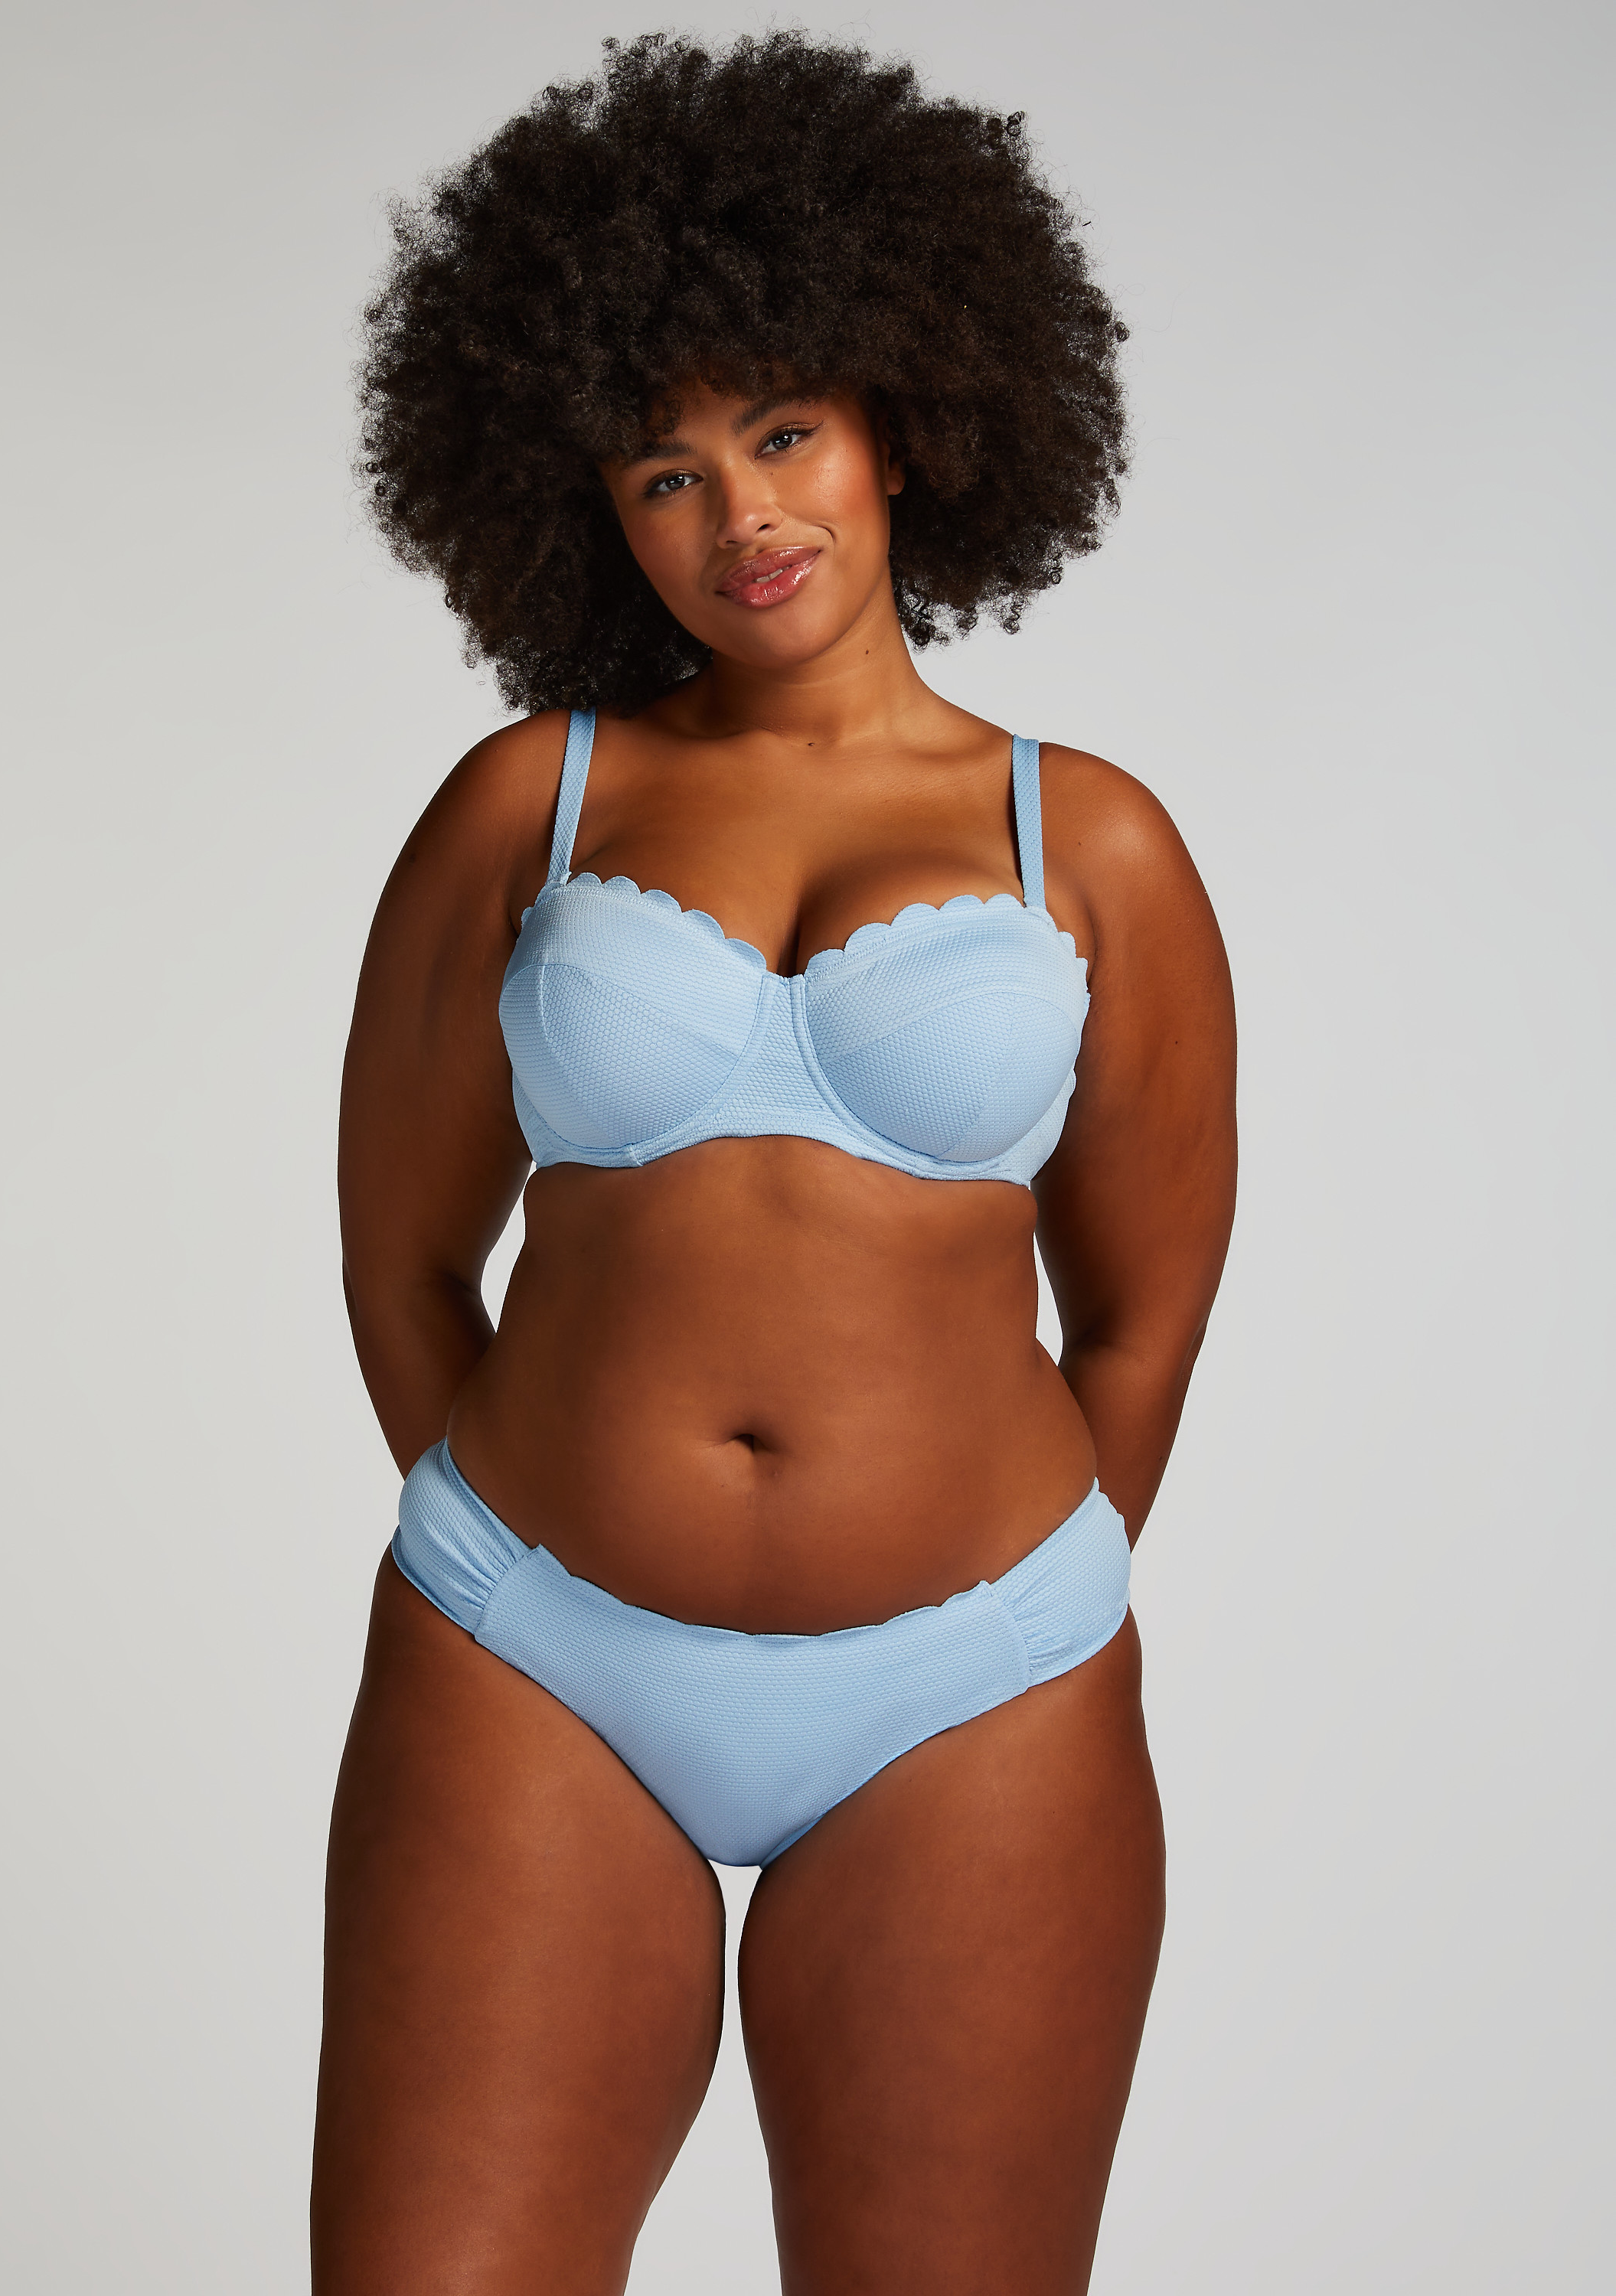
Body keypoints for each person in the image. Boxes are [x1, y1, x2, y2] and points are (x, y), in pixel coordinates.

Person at [315, 31, 1236, 2294]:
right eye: (666, 470)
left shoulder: (1089, 839)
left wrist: (1009, 1586)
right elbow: (400, 1251)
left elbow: (1141, 1312)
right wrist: (522, 1543)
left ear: (905, 420)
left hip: (973, 1693)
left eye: (783, 431)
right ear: (588, 509)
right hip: (535, 1659)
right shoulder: (530, 801)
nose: (741, 516)